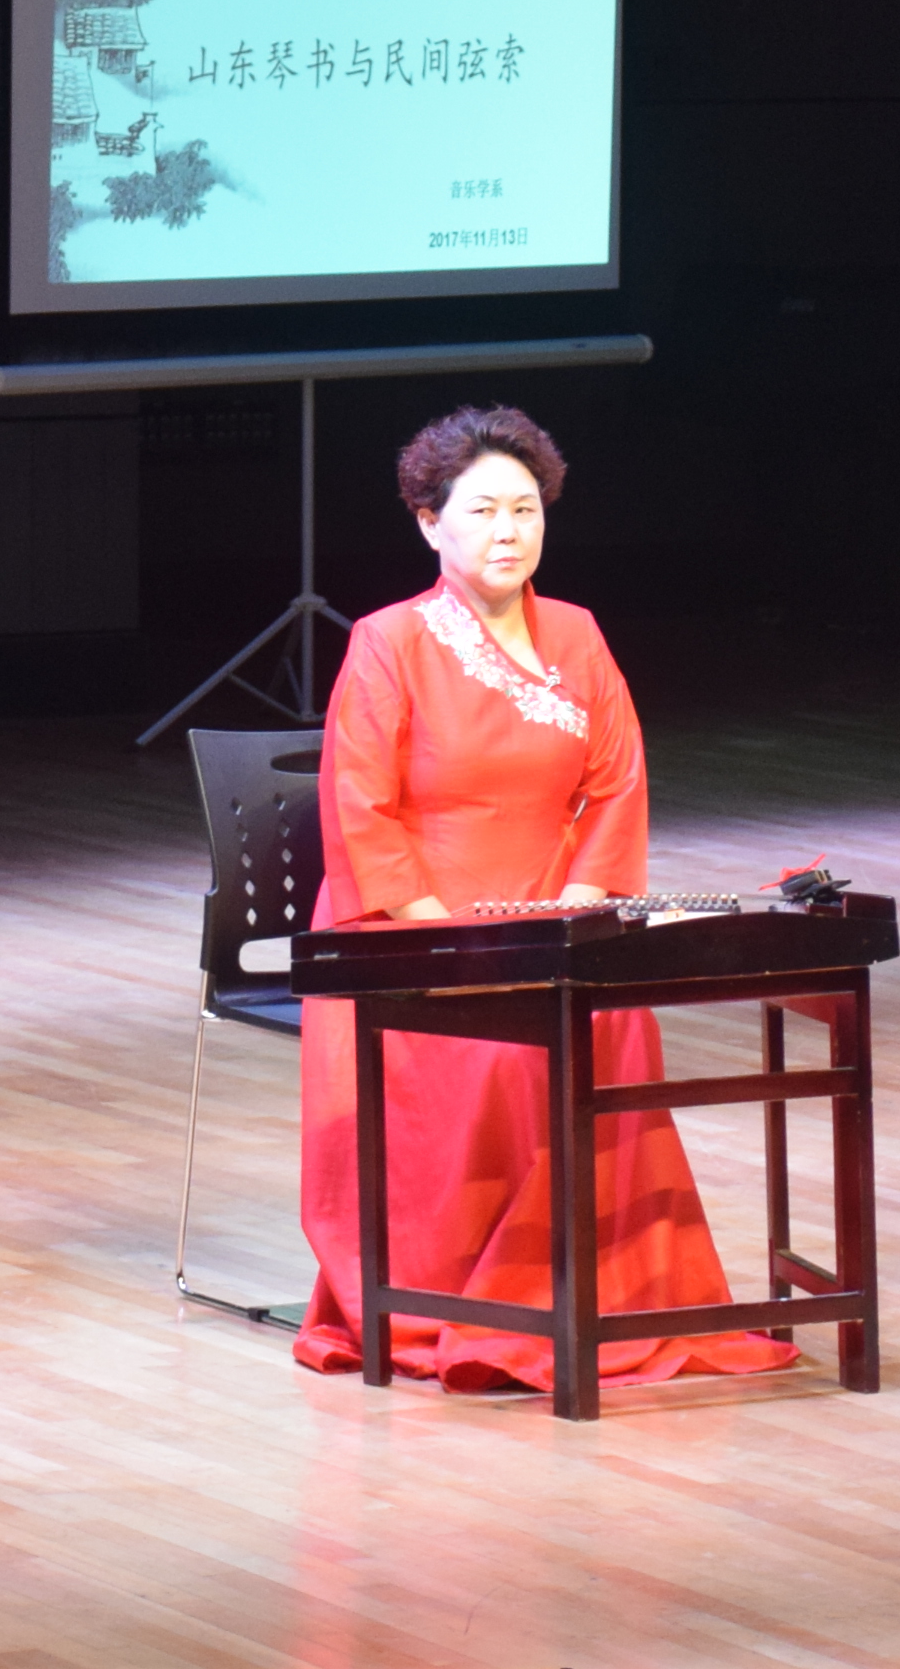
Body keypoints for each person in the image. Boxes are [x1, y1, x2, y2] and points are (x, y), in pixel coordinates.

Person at [289, 406, 799, 1392]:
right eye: (481, 511)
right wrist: (445, 942)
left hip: (551, 913)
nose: (507, 531)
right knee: (490, 1052)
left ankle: (586, 1291)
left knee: (611, 1022)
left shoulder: (576, 631)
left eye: (524, 510)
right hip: (412, 927)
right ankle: (458, 1300)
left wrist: (573, 915)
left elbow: (616, 783)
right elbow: (360, 807)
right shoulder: (389, 642)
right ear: (429, 524)